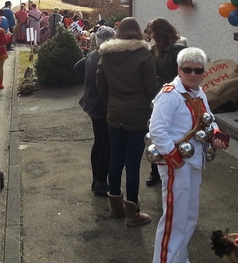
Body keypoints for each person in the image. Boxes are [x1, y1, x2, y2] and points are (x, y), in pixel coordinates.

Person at [148, 47, 229, 263]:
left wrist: (216, 134)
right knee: (174, 219)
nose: (193, 74)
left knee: (189, 216)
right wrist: (174, 159)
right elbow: (157, 130)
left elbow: (208, 120)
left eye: (198, 70)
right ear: (179, 70)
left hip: (194, 162)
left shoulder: (198, 93)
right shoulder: (169, 95)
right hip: (177, 165)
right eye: (188, 69)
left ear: (203, 72)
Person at [96, 17, 159, 228]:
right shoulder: (144, 54)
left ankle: (115, 208)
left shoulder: (106, 55)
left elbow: (100, 84)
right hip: (138, 116)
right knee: (133, 163)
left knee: (116, 159)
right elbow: (152, 88)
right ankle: (132, 213)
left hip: (115, 114)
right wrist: (155, 108)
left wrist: (111, 103)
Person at [74, 26, 116, 197]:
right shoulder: (106, 58)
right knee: (107, 145)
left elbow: (77, 66)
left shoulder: (92, 55)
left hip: (91, 103)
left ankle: (96, 180)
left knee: (99, 143)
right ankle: (100, 183)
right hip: (101, 106)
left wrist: (88, 80)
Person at [146, 18, 188, 187]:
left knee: (173, 132)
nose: (151, 35)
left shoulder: (177, 51)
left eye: (152, 32)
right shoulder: (156, 49)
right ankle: (155, 170)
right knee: (156, 133)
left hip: (174, 97)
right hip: (158, 96)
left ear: (160, 32)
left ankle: (176, 164)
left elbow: (182, 76)